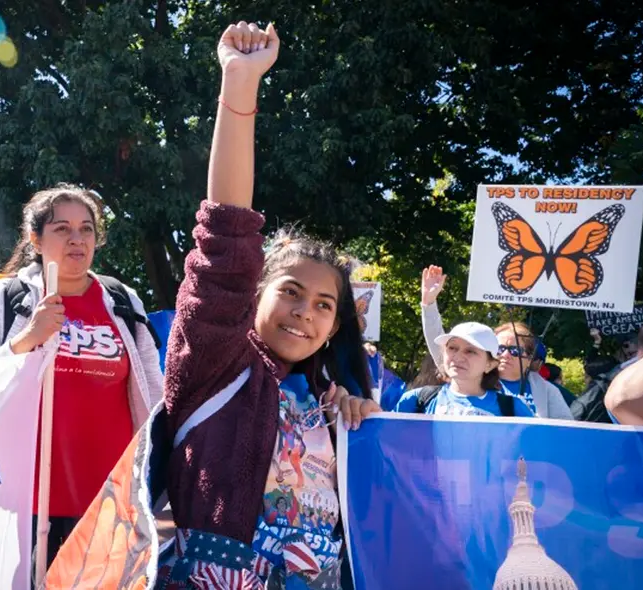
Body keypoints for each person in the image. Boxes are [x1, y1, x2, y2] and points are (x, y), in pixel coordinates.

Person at [158, 22, 379, 588]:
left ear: (335, 328)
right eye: (291, 291)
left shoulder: (330, 405)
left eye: (325, 305)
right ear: (252, 294)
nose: (307, 311)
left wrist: (363, 430)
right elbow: (226, 236)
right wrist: (239, 83)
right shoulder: (215, 365)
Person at [0, 183, 163, 566]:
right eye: (61, 229)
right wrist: (26, 339)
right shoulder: (9, 297)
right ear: (35, 239)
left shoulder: (122, 299)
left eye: (86, 229)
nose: (76, 239)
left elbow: (153, 388)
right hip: (29, 500)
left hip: (110, 500)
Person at [420, 265, 573, 419]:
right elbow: (439, 343)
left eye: (515, 351)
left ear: (529, 358)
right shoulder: (468, 375)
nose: (505, 355)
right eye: (500, 349)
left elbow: (565, 431)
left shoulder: (547, 391)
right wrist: (429, 304)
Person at [395, 323, 534, 417]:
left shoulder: (513, 408)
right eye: (452, 348)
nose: (458, 357)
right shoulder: (416, 400)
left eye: (470, 351)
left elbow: (536, 453)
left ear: (490, 364)